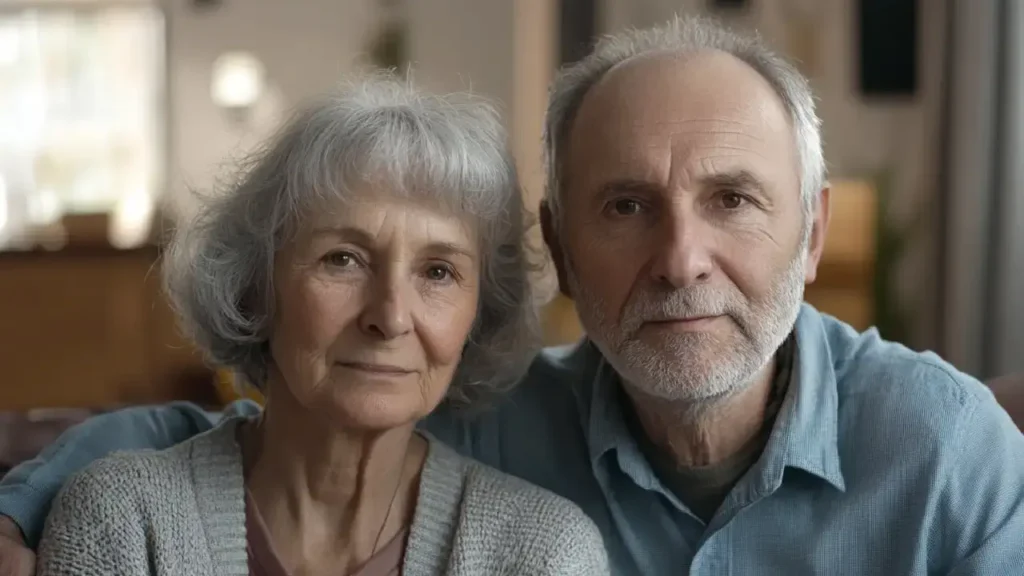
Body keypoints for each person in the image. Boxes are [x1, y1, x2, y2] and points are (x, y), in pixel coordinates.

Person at [3, 14, 1024, 575]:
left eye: (732, 200)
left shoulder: (945, 452)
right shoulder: (489, 419)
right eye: (624, 206)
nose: (679, 259)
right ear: (559, 255)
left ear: (809, 236)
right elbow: (266, 435)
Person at [29, 75, 609, 576]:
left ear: (478, 313)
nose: (390, 316)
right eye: (343, 259)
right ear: (257, 285)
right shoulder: (126, 524)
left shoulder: (542, 554)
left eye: (437, 271)